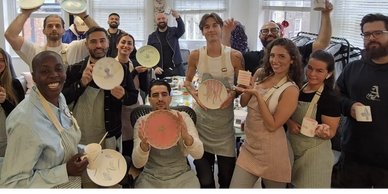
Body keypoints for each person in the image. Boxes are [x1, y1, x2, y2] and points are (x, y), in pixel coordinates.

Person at [62, 27, 138, 192]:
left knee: (110, 177)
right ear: (87, 44)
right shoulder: (74, 69)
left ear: (108, 43)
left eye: (102, 41)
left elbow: (133, 97)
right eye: (93, 41)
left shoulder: (121, 69)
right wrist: (80, 83)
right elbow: (62, 99)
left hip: (109, 133)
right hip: (82, 136)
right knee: (88, 180)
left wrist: (123, 94)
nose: (98, 45)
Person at [0, 51, 88, 192]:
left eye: (58, 69)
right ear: (34, 77)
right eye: (44, 71)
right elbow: (12, 185)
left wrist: (85, 152)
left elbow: (56, 142)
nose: (53, 75)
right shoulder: (25, 122)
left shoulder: (59, 99)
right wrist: (64, 171)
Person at [229, 38, 302, 192]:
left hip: (273, 151)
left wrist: (257, 94)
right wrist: (248, 89)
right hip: (250, 145)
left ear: (292, 60)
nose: (275, 60)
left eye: (281, 56)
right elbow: (243, 102)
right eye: (272, 55)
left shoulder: (290, 89)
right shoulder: (261, 73)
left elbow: (272, 125)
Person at [184, 13, 244, 192]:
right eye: (206, 27)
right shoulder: (196, 55)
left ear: (220, 28)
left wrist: (232, 94)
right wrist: (195, 95)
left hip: (225, 126)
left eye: (214, 25)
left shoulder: (235, 56)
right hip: (202, 123)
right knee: (205, 179)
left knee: (226, 178)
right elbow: (188, 82)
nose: (210, 30)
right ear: (202, 31)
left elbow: (242, 85)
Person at [336, 13, 388, 192]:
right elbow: (337, 96)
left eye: (378, 33)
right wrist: (348, 106)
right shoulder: (353, 68)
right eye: (367, 34)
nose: (372, 38)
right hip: (354, 157)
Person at [222, 1, 333, 75]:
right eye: (265, 31)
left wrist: (326, 14)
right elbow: (227, 57)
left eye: (274, 30)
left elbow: (322, 43)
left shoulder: (295, 54)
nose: (270, 33)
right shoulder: (251, 58)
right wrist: (226, 33)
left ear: (281, 34)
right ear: (259, 36)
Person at [132, 79, 204, 192]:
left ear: (170, 98)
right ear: (150, 100)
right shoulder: (142, 122)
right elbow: (137, 163)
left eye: (164, 94)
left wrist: (186, 137)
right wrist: (144, 145)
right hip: (151, 176)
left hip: (181, 174)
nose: (160, 98)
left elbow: (199, 154)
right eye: (155, 95)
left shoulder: (183, 118)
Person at [286, 50, 341, 192]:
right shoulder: (298, 88)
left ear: (328, 74)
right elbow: (285, 113)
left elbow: (331, 131)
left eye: (319, 70)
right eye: (310, 68)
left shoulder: (330, 98)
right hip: (293, 149)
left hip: (315, 155)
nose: (312, 74)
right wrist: (290, 123)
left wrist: (323, 131)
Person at [4, 8, 98, 70]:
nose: (54, 29)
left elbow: (99, 35)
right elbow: (10, 35)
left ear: (63, 31)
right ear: (44, 31)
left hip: (69, 99)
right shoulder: (34, 51)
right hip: (41, 99)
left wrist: (84, 15)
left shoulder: (74, 48)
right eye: (50, 26)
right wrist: (26, 13)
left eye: (57, 26)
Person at [115, 33, 150, 158]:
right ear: (117, 45)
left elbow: (145, 88)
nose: (126, 45)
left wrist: (146, 72)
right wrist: (134, 73)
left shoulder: (136, 64)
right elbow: (122, 85)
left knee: (136, 139)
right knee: (121, 143)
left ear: (133, 47)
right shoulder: (110, 65)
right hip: (118, 109)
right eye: (123, 42)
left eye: (130, 43)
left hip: (135, 106)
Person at [0, 47, 25, 157]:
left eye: (1, 60)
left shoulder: (15, 85)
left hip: (10, 136)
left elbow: (21, 114)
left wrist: (4, 101)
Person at [148, 11, 185, 79]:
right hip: (161, 70)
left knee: (181, 88)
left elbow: (182, 30)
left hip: (177, 67)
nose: (161, 20)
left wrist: (177, 17)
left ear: (167, 20)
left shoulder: (174, 31)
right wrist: (155, 67)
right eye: (159, 19)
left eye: (163, 18)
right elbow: (150, 55)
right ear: (156, 21)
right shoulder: (152, 37)